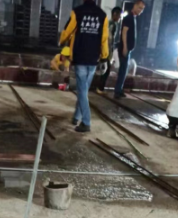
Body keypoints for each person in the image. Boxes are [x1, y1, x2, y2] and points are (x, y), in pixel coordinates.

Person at [59, 0, 109, 133]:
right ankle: (77, 116)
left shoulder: (77, 12)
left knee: (82, 91)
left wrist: (61, 40)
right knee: (84, 90)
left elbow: (68, 30)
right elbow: (104, 38)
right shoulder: (102, 15)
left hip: (80, 55)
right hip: (93, 58)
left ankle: (86, 122)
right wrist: (104, 56)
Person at [114, 0, 145, 99]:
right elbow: (124, 32)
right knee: (123, 70)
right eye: (139, 8)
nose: (140, 10)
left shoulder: (133, 18)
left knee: (124, 70)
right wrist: (125, 47)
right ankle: (117, 91)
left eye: (142, 9)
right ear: (135, 6)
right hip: (125, 48)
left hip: (128, 48)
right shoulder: (129, 18)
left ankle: (119, 89)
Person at [97, 7, 122, 93]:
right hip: (106, 50)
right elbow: (109, 38)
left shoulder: (112, 23)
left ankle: (100, 88)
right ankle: (100, 88)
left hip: (107, 50)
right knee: (106, 70)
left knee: (105, 69)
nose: (120, 17)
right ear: (115, 14)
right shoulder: (112, 24)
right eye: (119, 15)